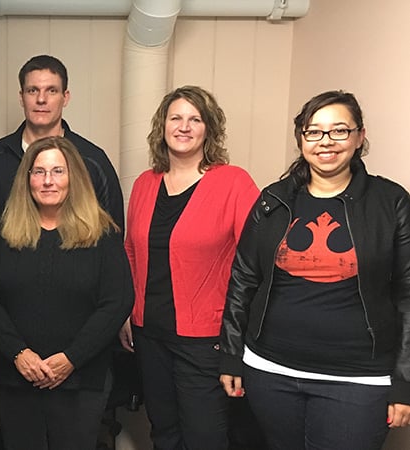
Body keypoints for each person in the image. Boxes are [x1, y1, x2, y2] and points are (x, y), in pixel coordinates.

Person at [219, 90, 410, 449]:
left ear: (360, 136)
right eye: (314, 131)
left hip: (358, 379)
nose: (326, 142)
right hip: (271, 370)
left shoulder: (391, 202)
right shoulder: (272, 200)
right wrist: (231, 355)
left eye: (339, 130)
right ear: (301, 139)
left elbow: (407, 295)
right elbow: (244, 278)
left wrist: (404, 382)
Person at [120, 86, 258, 450]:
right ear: (162, 126)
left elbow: (256, 260)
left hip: (206, 339)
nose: (184, 127)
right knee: (163, 431)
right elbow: (131, 252)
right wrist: (128, 313)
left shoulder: (233, 182)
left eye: (195, 119)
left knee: (204, 436)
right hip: (149, 333)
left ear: (208, 129)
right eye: (176, 118)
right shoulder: (144, 184)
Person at [0, 136, 133, 450]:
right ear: (26, 179)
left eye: (58, 171)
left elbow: (117, 301)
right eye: (39, 172)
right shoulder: (3, 234)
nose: (48, 181)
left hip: (81, 380)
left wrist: (71, 359)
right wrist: (20, 354)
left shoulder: (102, 234)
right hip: (17, 376)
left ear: (74, 177)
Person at [0, 54, 124, 246]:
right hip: (8, 272)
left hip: (77, 272)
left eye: (51, 91)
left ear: (65, 97)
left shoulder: (91, 160)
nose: (41, 99)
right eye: (32, 90)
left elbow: (112, 232)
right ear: (22, 97)